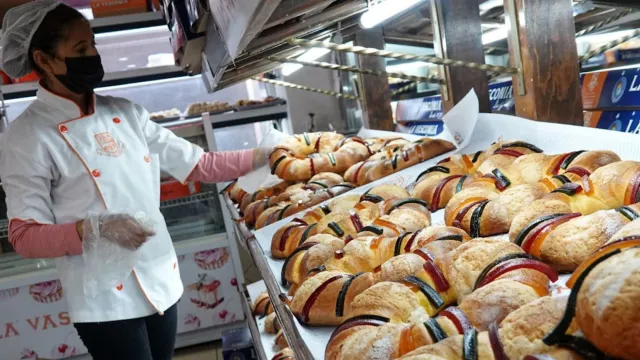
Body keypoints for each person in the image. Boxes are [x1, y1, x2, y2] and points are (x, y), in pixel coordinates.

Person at [0, 2, 268, 359]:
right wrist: (92, 230)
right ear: (45, 61)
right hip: (103, 300)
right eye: (81, 50)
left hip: (159, 275)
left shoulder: (125, 113)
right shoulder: (27, 136)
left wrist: (265, 156)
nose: (93, 55)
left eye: (92, 44)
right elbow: (25, 236)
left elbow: (199, 165)